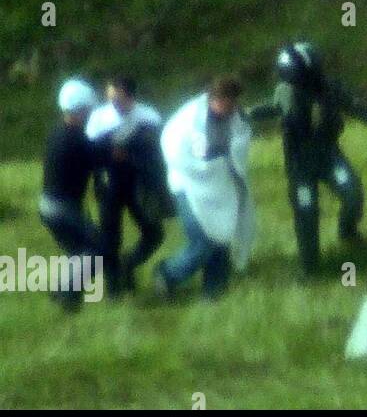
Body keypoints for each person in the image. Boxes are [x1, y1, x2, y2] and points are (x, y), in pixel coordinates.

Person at [248, 42, 367, 274]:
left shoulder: (331, 89)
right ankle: (309, 267)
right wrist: (247, 114)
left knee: (352, 192)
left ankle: (347, 231)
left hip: (329, 156)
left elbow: (360, 108)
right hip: (300, 165)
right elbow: (273, 109)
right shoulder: (285, 92)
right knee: (306, 210)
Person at [155, 76, 256, 300]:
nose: (229, 109)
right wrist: (205, 166)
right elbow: (173, 149)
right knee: (203, 240)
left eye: (233, 104)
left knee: (221, 235)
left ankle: (214, 289)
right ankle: (168, 273)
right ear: (213, 98)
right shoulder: (189, 118)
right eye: (225, 103)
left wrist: (222, 165)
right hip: (188, 184)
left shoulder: (237, 118)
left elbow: (239, 145)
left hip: (219, 186)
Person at [86, 76, 167, 294]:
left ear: (130, 96)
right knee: (110, 237)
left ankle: (128, 263)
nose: (113, 103)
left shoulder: (148, 116)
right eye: (110, 98)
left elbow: (157, 151)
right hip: (109, 183)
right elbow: (90, 153)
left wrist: (131, 153)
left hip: (138, 183)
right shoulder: (99, 118)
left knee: (154, 232)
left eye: (118, 99)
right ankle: (114, 290)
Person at [40, 79, 110, 311]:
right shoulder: (76, 139)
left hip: (47, 205)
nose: (91, 114)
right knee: (97, 249)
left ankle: (63, 293)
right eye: (88, 110)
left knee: (78, 251)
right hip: (62, 208)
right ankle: (66, 295)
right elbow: (99, 158)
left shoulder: (57, 133)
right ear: (80, 110)